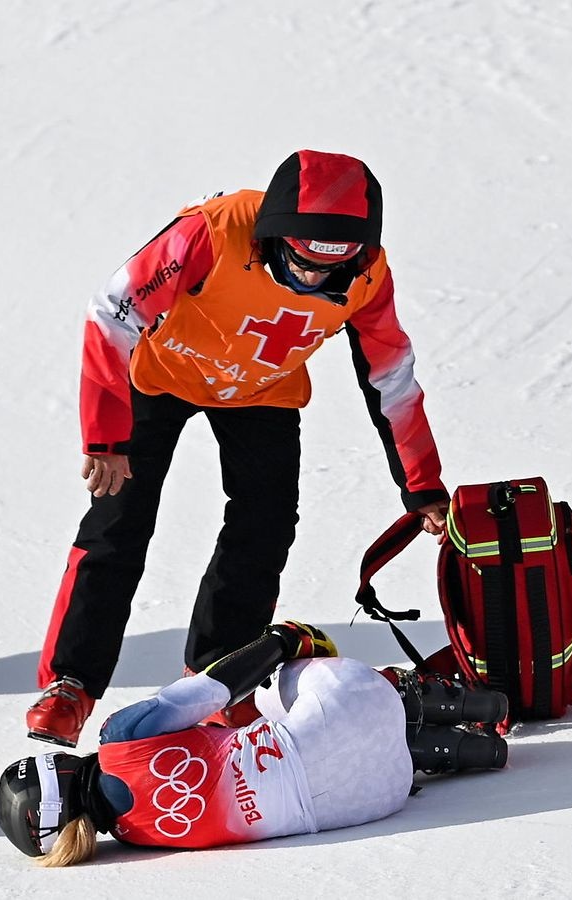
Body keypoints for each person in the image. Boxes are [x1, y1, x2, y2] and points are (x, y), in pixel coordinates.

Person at [29, 150, 450, 746]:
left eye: (327, 272)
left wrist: (422, 486)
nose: (310, 279)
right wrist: (106, 435)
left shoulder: (370, 273)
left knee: (266, 526)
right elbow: (112, 310)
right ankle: (70, 685)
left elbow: (391, 375)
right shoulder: (214, 230)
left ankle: (216, 678)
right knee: (119, 523)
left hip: (263, 388)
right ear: (272, 235)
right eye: (299, 264)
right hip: (161, 374)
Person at [0, 622, 508, 865]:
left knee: (310, 752)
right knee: (273, 690)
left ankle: (462, 751)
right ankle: (454, 705)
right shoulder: (117, 741)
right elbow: (213, 687)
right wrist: (282, 640)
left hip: (376, 800)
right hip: (349, 707)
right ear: (60, 771)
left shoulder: (140, 841)